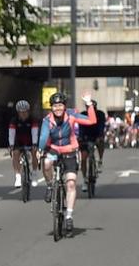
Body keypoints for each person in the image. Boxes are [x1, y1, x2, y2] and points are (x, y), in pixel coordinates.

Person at [38, 92, 96, 237]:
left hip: (69, 150)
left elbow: (91, 120)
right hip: (53, 149)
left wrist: (89, 104)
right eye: (55, 106)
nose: (58, 108)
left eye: (60, 105)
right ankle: (51, 185)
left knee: (71, 183)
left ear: (65, 107)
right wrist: (40, 148)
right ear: (51, 107)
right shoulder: (47, 120)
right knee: (46, 162)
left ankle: (69, 216)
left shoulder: (71, 115)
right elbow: (44, 136)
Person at [8, 100, 39, 188]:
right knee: (16, 153)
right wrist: (11, 145)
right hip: (19, 140)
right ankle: (17, 176)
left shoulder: (33, 119)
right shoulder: (14, 120)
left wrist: (35, 144)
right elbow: (11, 133)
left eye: (25, 112)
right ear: (18, 112)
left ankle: (34, 173)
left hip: (30, 139)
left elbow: (35, 132)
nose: (23, 114)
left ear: (28, 111)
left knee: (34, 152)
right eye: (21, 112)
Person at [78, 100, 106, 191]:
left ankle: (100, 161)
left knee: (101, 142)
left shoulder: (100, 114)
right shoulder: (83, 114)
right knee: (83, 158)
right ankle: (85, 179)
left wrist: (100, 136)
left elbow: (101, 126)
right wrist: (80, 138)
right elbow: (81, 128)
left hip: (97, 135)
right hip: (86, 137)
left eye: (93, 108)